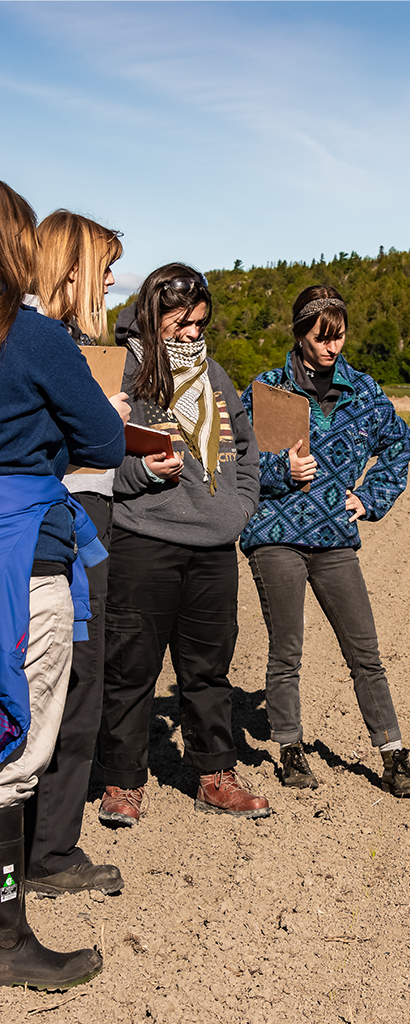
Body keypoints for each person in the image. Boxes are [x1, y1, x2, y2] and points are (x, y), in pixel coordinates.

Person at [0, 180, 128, 988]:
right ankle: (8, 935)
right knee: (14, 751)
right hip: (26, 559)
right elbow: (106, 440)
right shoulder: (33, 337)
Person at [96, 264, 269, 825]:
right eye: (181, 322)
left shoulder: (213, 375)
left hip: (214, 546)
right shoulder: (122, 374)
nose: (193, 333)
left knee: (209, 669)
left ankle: (214, 775)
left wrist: (239, 507)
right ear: (152, 314)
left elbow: (246, 449)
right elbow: (92, 459)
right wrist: (142, 471)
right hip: (144, 542)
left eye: (199, 323)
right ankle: (122, 782)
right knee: (131, 668)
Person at [239, 285, 410, 797]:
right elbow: (237, 459)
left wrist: (371, 497)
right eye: (322, 337)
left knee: (365, 650)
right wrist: (283, 468)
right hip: (275, 535)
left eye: (339, 337)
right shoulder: (266, 389)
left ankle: (393, 755)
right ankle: (291, 749)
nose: (332, 347)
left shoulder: (363, 391)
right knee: (287, 650)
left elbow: (399, 443)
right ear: (300, 333)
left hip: (335, 537)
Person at [22, 211, 126, 897]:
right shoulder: (44, 341)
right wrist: (107, 416)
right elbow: (100, 444)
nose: (113, 281)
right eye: (106, 266)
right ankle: (49, 854)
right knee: (72, 684)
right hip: (55, 531)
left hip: (39, 527)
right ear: (72, 270)